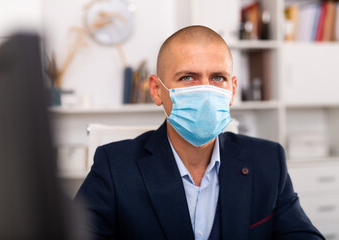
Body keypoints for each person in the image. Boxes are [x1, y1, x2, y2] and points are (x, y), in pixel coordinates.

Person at [75, 25, 324, 240]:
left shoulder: (268, 161)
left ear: (232, 89)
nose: (205, 91)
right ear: (156, 90)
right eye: (188, 77)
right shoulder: (114, 166)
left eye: (218, 77)